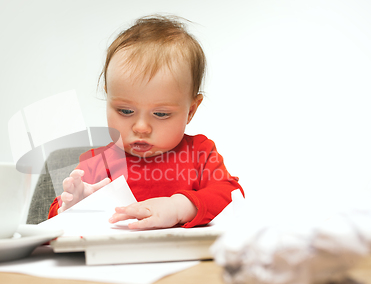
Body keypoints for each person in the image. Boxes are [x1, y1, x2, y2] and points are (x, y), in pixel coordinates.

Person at [47, 15, 243, 229]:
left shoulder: (200, 154)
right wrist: (71, 207)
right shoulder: (96, 164)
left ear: (191, 111)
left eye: (160, 114)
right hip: (114, 260)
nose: (141, 127)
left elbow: (231, 194)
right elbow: (52, 221)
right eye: (125, 110)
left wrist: (179, 207)